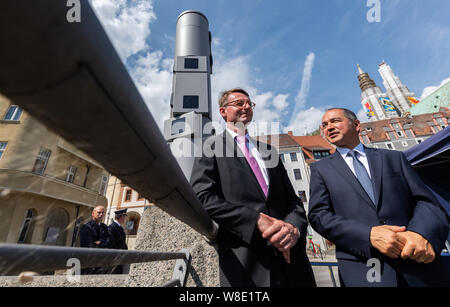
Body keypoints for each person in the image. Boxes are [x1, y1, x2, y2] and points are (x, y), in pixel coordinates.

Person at [308, 108, 450, 287]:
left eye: (335, 121)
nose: (328, 127)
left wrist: (420, 233)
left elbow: (426, 201)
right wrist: (368, 235)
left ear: (357, 125)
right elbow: (318, 216)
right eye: (324, 125)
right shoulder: (321, 170)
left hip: (417, 263)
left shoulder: (393, 158)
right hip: (364, 269)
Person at [190, 88, 316, 287]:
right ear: (223, 111)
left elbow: (293, 201)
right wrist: (254, 220)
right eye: (239, 103)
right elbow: (202, 197)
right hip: (247, 262)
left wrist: (293, 229)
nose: (246, 106)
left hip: (292, 261)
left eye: (249, 103)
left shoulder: (269, 151)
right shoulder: (211, 146)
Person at [79, 205, 109, 274]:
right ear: (93, 214)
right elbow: (87, 245)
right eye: (99, 212)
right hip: (89, 262)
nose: (101, 214)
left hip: (101, 263)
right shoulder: (86, 227)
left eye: (103, 213)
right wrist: (102, 243)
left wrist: (99, 242)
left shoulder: (104, 227)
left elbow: (109, 242)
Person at [107, 208, 129, 274]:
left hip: (120, 257)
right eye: (124, 217)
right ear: (121, 217)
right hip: (115, 258)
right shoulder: (112, 227)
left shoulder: (119, 227)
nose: (125, 219)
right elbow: (111, 243)